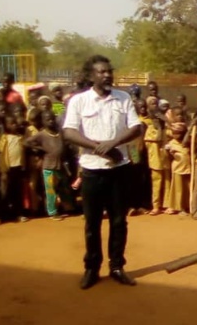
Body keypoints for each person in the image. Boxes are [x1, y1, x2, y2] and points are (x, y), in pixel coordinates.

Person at [63, 55, 141, 290]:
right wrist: (100, 147)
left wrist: (114, 143)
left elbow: (135, 127)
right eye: (101, 72)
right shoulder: (79, 101)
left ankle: (117, 266)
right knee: (92, 223)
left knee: (119, 221)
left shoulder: (123, 98)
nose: (107, 75)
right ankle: (91, 268)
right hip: (91, 171)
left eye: (109, 71)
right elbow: (69, 132)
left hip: (119, 170)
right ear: (90, 76)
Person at [25, 110, 73, 220]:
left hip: (60, 165)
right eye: (47, 119)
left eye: (52, 118)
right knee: (50, 190)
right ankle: (52, 212)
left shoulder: (59, 132)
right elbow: (26, 142)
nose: (51, 121)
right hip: (48, 167)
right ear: (43, 121)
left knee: (63, 187)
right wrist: (40, 149)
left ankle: (67, 207)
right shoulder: (42, 134)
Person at [164, 121, 191, 216]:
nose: (177, 136)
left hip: (188, 168)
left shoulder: (188, 142)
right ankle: (181, 208)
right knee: (179, 190)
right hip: (178, 168)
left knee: (188, 188)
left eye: (179, 133)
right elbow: (167, 157)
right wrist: (167, 152)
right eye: (174, 133)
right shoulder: (171, 143)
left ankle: (188, 206)